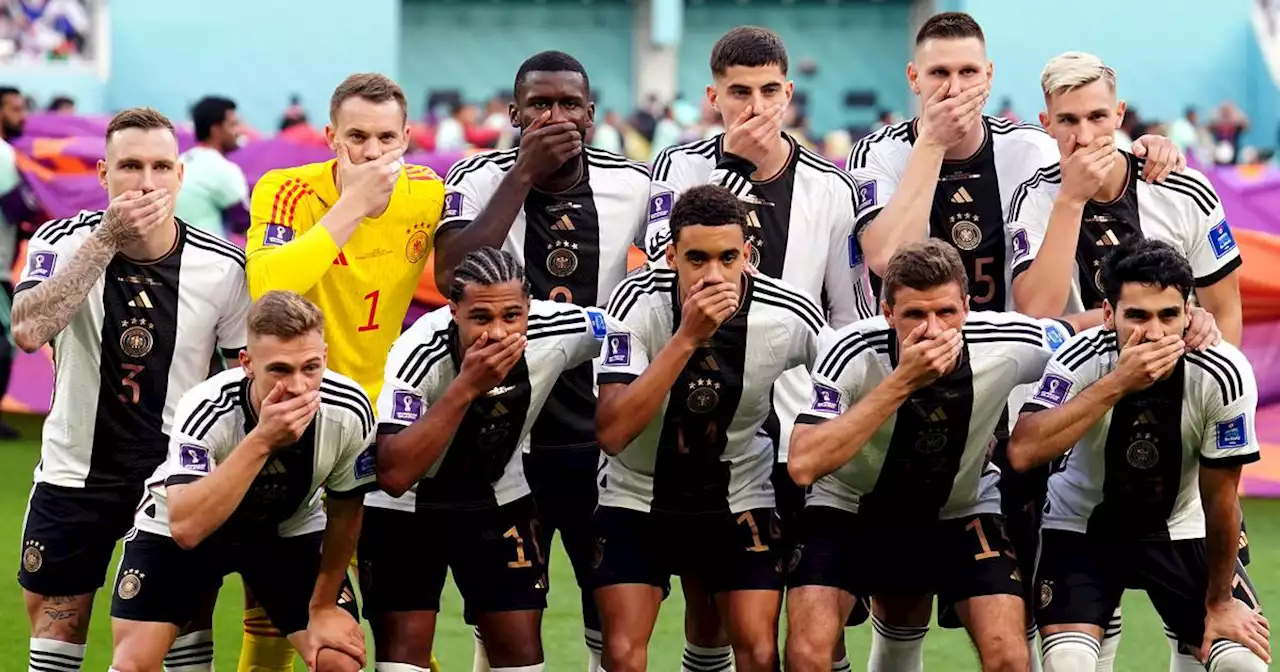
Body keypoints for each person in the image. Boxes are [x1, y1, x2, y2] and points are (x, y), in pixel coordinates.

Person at [845, 14, 1183, 666]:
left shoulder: (1028, 148)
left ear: (989, 75)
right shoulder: (879, 153)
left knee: (1031, 584)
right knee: (901, 593)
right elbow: (888, 256)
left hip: (1013, 388)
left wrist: (1150, 147)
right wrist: (932, 148)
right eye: (939, 73)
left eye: (969, 72)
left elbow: (1097, 150)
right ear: (915, 79)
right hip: (907, 381)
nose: (955, 87)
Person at [645, 27, 876, 671]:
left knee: (816, 609)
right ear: (713, 96)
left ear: (790, 93)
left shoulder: (832, 185)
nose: (756, 107)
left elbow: (846, 313)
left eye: (769, 91)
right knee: (713, 605)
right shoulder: (679, 167)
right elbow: (657, 282)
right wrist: (735, 170)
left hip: (799, 416)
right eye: (739, 92)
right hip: (705, 411)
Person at [430, 50, 649, 672]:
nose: (556, 116)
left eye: (570, 105)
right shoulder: (477, 176)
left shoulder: (632, 183)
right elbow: (451, 275)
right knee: (503, 618)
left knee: (606, 613)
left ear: (592, 116)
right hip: (502, 435)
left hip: (594, 438)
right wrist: (522, 175)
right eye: (540, 105)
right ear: (514, 114)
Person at [12, 107, 251, 672]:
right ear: (103, 175)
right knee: (54, 647)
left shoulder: (222, 267)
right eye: (131, 167)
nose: (146, 183)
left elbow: (240, 380)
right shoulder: (63, 242)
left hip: (173, 481)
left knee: (184, 646)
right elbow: (27, 330)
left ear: (180, 175)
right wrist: (105, 241)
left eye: (161, 166)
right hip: (75, 474)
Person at [782, 239, 1088, 672]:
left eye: (946, 312)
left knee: (1009, 655)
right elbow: (803, 464)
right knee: (807, 654)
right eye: (914, 315)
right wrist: (902, 381)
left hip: (961, 509)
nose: (932, 329)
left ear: (966, 306)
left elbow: (1085, 333)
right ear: (887, 314)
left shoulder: (1007, 338)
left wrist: (1190, 321)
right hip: (849, 507)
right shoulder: (850, 350)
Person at [242, 72, 444, 671]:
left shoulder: (428, 193)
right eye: (357, 136)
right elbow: (269, 289)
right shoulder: (285, 191)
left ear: (407, 137)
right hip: (293, 413)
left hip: (382, 424)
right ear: (331, 137)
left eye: (387, 138)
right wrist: (354, 204)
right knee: (274, 619)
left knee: (398, 619)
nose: (373, 152)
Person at [1008, 238, 1270, 672]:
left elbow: (1222, 498)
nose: (1154, 332)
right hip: (1081, 527)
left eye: (1169, 315)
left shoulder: (1223, 371)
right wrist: (1119, 383)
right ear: (1109, 315)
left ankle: (1187, 643)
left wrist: (1221, 601)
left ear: (1190, 312)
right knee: (1068, 663)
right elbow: (1023, 451)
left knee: (1244, 664)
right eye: (1137, 316)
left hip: (1182, 527)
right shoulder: (1080, 359)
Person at [592, 185, 825, 672]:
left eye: (727, 258)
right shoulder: (636, 300)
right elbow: (612, 432)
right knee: (621, 653)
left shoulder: (788, 311)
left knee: (760, 651)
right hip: (637, 492)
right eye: (696, 259)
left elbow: (844, 373)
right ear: (671, 255)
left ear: (748, 255)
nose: (713, 275)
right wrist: (687, 336)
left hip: (738, 491)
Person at [360, 246, 618, 672]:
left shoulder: (560, 328)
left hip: (496, 497)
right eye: (481, 318)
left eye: (511, 317)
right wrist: (465, 387)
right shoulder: (417, 350)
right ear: (453, 310)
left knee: (520, 660)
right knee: (402, 664)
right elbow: (393, 473)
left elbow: (631, 329)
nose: (497, 333)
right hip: (407, 509)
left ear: (529, 309)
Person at [107, 290, 371, 672]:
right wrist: (262, 440)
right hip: (181, 530)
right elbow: (186, 527)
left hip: (285, 532)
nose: (298, 386)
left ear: (325, 357)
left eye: (311, 367)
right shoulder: (205, 407)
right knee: (133, 666)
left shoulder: (349, 410)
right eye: (279, 370)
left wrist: (324, 605)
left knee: (339, 660)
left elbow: (346, 511)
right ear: (246, 363)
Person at [1007, 52, 1243, 345]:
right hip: (1080, 385)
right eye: (1068, 120)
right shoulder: (1034, 197)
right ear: (1047, 124)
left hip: (1170, 375)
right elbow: (1036, 315)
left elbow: (1225, 310)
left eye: (1097, 117)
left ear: (1119, 114)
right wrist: (1071, 199)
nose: (1084, 136)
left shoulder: (1182, 189)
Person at [0, 84, 35, 440]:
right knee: (3, 337)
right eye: (15, 108)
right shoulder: (3, 154)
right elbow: (17, 208)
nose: (22, 116)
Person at [176, 96, 249, 239]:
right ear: (216, 129)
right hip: (206, 256)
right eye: (233, 125)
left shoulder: (180, 161)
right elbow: (246, 224)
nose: (239, 131)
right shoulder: (222, 168)